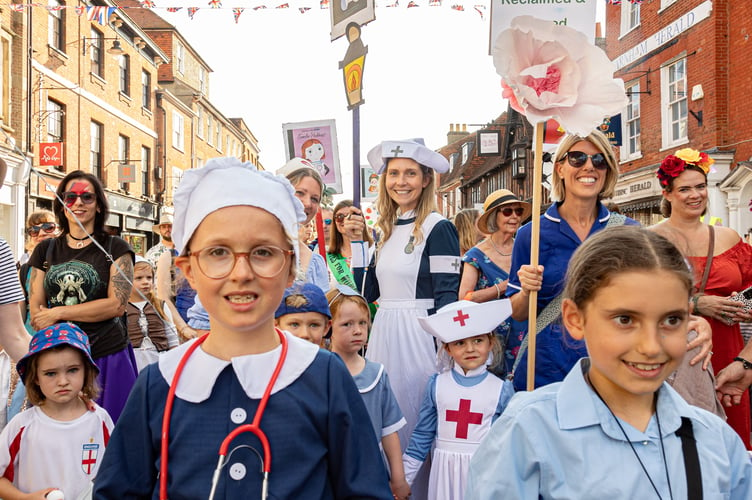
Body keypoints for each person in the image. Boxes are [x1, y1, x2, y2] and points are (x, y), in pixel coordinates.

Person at [94, 157, 392, 499]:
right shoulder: (160, 382)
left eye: (263, 252)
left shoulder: (323, 376)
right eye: (218, 251)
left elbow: (365, 490)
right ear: (188, 269)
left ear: (291, 268)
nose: (241, 273)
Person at [466, 227, 752, 499]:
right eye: (625, 320)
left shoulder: (715, 442)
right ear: (575, 319)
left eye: (671, 320)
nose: (651, 347)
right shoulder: (529, 433)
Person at [349, 138, 461, 499]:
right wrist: (356, 244)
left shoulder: (438, 226)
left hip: (420, 334)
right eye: (394, 173)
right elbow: (365, 293)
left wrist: (447, 343)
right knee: (387, 421)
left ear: (426, 179)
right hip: (385, 334)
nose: (401, 181)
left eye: (410, 173)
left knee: (417, 419)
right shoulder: (384, 227)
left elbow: (447, 292)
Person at [508, 130, 641, 391]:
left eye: (599, 160)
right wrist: (526, 290)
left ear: (608, 170)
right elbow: (518, 312)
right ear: (559, 169)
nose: (589, 166)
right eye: (577, 158)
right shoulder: (531, 235)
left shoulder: (629, 232)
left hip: (613, 363)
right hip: (547, 367)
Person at [650, 148, 752, 449]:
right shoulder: (649, 241)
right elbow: (633, 301)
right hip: (675, 355)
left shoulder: (729, 237)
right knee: (682, 448)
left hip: (730, 353)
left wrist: (746, 360)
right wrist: (696, 304)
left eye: (700, 186)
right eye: (685, 189)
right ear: (667, 193)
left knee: (730, 451)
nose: (695, 195)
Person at [27, 170, 137, 423]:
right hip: (59, 359)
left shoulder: (116, 247)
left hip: (106, 354)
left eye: (87, 197)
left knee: (112, 431)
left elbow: (117, 305)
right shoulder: (46, 249)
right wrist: (48, 316)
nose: (78, 203)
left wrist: (59, 313)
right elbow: (36, 310)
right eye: (71, 197)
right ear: (62, 205)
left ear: (98, 205)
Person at [403, 300, 514, 500]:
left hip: (484, 475)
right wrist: (404, 478)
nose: (470, 348)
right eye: (460, 342)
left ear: (491, 343)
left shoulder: (502, 390)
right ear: (447, 349)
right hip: (444, 475)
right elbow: (422, 435)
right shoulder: (437, 385)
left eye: (478, 340)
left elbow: (506, 444)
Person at [0, 323, 114, 500]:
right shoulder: (22, 426)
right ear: (35, 377)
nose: (63, 381)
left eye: (73, 370)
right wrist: (26, 498)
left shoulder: (100, 420)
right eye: (51, 373)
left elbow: (116, 471)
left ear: (86, 370)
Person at [326, 284, 410, 500]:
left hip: (370, 471)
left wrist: (398, 478)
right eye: (347, 324)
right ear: (329, 326)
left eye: (363, 323)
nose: (358, 330)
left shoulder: (377, 374)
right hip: (330, 471)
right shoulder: (320, 373)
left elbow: (389, 430)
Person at [459, 190, 530, 377]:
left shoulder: (527, 249)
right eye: (507, 211)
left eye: (518, 212)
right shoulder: (476, 255)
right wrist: (504, 286)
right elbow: (465, 298)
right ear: (493, 217)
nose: (514, 216)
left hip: (524, 331)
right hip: (492, 337)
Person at [282, 159, 330, 292]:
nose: (307, 203)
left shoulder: (316, 263)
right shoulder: (253, 243)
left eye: (315, 199)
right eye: (300, 193)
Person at [127, 256, 179, 371]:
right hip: (134, 361)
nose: (145, 282)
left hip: (159, 360)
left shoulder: (159, 305)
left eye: (149, 278)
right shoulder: (122, 308)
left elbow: (172, 336)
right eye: (139, 278)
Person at [18, 210, 59, 334]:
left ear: (60, 229)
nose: (41, 233)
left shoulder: (73, 264)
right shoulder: (25, 270)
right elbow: (19, 313)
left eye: (48, 227)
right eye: (34, 231)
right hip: (32, 340)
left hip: (64, 338)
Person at [327, 199, 374, 291]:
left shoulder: (374, 251)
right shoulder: (327, 257)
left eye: (351, 216)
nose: (346, 220)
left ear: (361, 220)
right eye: (339, 217)